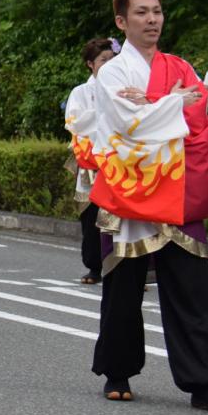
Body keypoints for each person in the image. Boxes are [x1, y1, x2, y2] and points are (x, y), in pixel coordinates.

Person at [90, 0, 208, 415]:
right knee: (124, 288)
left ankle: (205, 383)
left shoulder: (180, 66)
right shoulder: (113, 72)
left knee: (192, 289)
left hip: (176, 191)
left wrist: (157, 102)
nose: (151, 19)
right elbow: (124, 123)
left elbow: (196, 115)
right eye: (141, 12)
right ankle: (117, 372)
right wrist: (169, 103)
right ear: (122, 20)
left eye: (156, 11)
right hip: (130, 192)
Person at [64, 38, 117, 283]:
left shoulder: (122, 87)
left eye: (111, 59)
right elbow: (75, 122)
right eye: (102, 60)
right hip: (91, 163)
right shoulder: (81, 92)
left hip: (118, 161)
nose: (108, 64)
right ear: (90, 64)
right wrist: (104, 112)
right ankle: (94, 266)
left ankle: (121, 267)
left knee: (119, 218)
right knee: (91, 216)